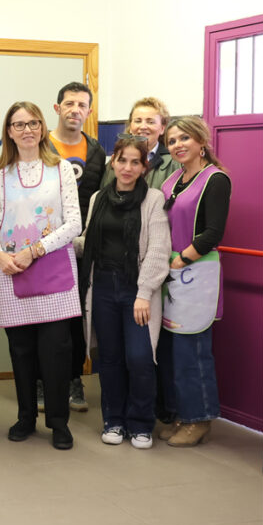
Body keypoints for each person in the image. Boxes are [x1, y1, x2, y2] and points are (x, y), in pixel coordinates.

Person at [0, 101, 82, 450]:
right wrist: (1, 257)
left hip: (53, 269)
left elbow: (74, 223)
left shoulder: (62, 171)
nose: (26, 129)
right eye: (18, 124)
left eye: (33, 123)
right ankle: (25, 417)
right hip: (12, 272)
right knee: (22, 352)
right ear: (8, 132)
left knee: (56, 352)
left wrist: (35, 250)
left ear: (42, 128)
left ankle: (58, 422)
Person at [75, 135, 170, 449]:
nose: (127, 167)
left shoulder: (153, 199)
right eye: (122, 160)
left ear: (144, 167)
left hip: (136, 290)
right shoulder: (99, 197)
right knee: (111, 359)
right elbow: (89, 240)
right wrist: (56, 239)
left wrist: (144, 292)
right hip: (102, 287)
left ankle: (141, 424)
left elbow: (158, 250)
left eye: (135, 162)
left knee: (140, 357)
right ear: (113, 162)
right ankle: (113, 420)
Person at [157, 116, 230, 447]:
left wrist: (181, 257)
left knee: (193, 350)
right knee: (173, 350)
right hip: (172, 274)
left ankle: (199, 419)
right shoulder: (172, 181)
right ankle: (181, 414)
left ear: (202, 141)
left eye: (185, 138)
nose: (178, 145)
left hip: (195, 270)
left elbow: (213, 231)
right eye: (172, 141)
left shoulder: (215, 180)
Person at [47, 82, 108, 413]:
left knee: (75, 318)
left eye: (82, 105)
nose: (75, 110)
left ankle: (72, 380)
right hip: (43, 249)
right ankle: (43, 383)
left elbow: (101, 202)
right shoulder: (40, 146)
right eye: (68, 103)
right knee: (44, 319)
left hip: (82, 250)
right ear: (57, 108)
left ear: (88, 111)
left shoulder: (97, 152)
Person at [101, 97, 181, 191]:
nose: (143, 127)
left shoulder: (175, 163)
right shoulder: (115, 162)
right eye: (138, 121)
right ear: (130, 126)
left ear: (162, 128)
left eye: (150, 122)